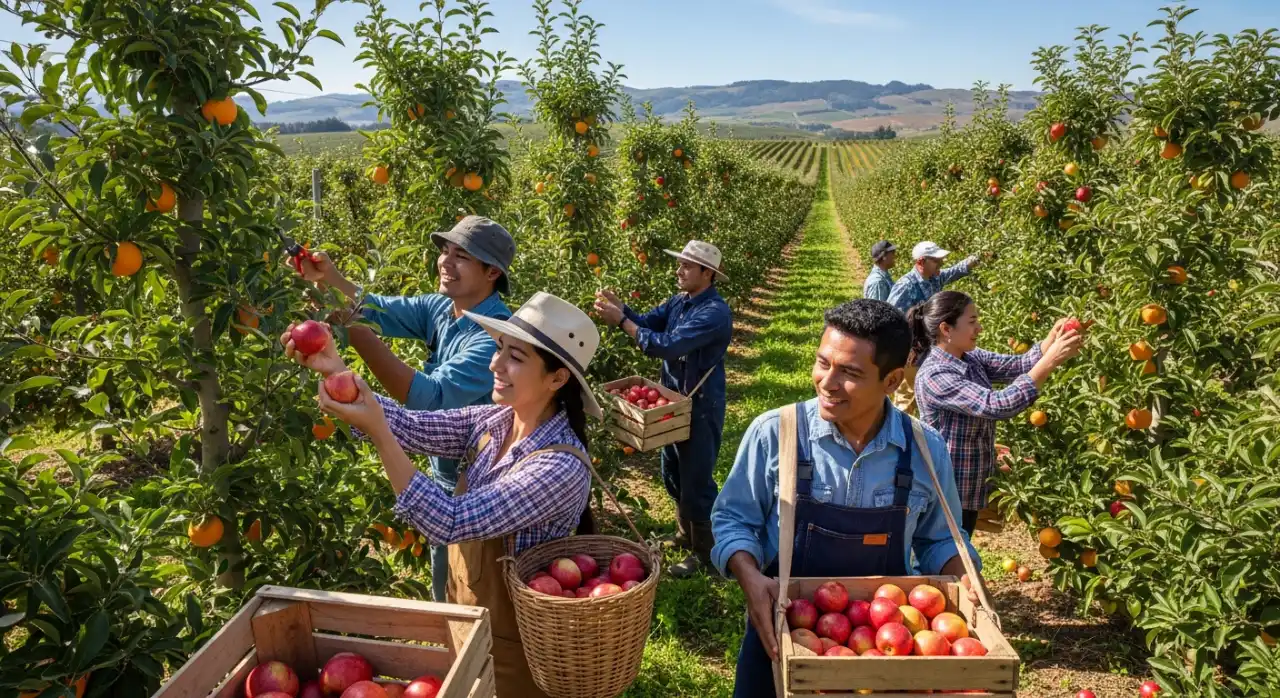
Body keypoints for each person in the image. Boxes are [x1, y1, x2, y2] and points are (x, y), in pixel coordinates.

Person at [284, 292, 601, 698]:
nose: (495, 365)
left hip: (520, 647)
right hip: (469, 616)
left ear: (557, 379)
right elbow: (409, 425)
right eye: (499, 349)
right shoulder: (495, 421)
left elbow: (448, 520)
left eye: (516, 358)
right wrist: (336, 370)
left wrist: (379, 435)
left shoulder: (557, 468)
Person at [711, 299, 983, 698]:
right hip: (784, 633)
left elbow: (939, 538)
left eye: (850, 373)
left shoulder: (925, 450)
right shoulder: (776, 434)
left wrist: (966, 577)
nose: (827, 382)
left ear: (891, 381)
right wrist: (749, 577)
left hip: (883, 647)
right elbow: (734, 519)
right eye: (823, 363)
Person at [295, 215, 515, 602]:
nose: (446, 262)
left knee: (478, 590)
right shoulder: (443, 308)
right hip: (445, 472)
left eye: (462, 256)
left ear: (492, 272)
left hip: (484, 487)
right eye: (445, 251)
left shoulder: (495, 337)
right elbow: (376, 310)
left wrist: (351, 327)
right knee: (444, 582)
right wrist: (328, 279)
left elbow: (427, 398)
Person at [593, 240, 733, 577]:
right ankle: (685, 534)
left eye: (687, 265)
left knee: (696, 480)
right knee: (672, 471)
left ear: (707, 273)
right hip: (670, 403)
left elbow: (666, 346)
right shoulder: (678, 301)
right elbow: (647, 323)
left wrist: (621, 322)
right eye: (679, 263)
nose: (679, 270)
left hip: (700, 406)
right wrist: (623, 309)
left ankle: (706, 553)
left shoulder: (714, 313)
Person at [910, 291, 1083, 534]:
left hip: (968, 489)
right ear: (946, 329)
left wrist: (1051, 340)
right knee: (943, 552)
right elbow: (997, 405)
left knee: (958, 549)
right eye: (972, 322)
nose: (979, 328)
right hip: (945, 492)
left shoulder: (969, 357)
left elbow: (1019, 366)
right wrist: (1051, 360)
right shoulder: (936, 375)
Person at [886, 241, 984, 415]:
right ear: (921, 262)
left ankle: (917, 430)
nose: (941, 263)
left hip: (930, 349)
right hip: (912, 352)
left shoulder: (934, 278)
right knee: (906, 398)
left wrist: (977, 257)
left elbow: (954, 271)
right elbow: (891, 318)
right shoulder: (906, 286)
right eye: (936, 260)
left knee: (924, 396)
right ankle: (897, 430)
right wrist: (903, 349)